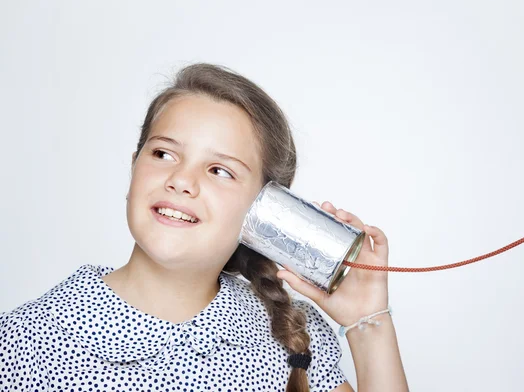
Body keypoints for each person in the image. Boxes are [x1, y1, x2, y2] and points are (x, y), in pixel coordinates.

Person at [0, 63, 409, 391]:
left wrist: (367, 322)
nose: (181, 180)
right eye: (163, 153)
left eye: (219, 170)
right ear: (133, 168)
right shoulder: (23, 342)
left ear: (266, 209)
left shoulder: (293, 337)